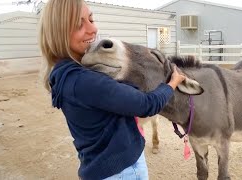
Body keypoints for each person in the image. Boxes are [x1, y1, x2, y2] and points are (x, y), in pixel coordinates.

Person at [38, 0, 186, 179]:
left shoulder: (64, 76)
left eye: (91, 20)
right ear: (59, 34)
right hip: (123, 171)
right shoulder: (84, 81)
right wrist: (172, 83)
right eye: (79, 24)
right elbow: (146, 104)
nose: (92, 29)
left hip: (99, 165)